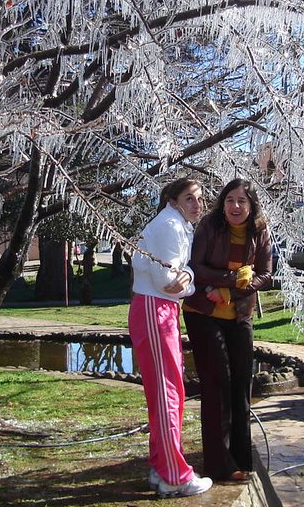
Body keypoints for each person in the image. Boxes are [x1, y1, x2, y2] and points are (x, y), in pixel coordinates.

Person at [182, 178, 273, 482]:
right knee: (218, 382)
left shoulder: (259, 232)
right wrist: (233, 277)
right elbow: (196, 266)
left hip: (238, 313)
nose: (235, 206)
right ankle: (220, 464)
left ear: (251, 205)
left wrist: (231, 292)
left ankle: (241, 458)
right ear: (222, 203)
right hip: (203, 312)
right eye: (230, 200)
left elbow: (265, 274)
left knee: (241, 383)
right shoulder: (210, 226)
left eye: (242, 201)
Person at [129, 178, 213, 498]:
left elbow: (172, 277)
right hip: (156, 307)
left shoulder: (173, 224)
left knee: (168, 389)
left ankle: (161, 465)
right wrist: (191, 278)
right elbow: (169, 281)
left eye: (200, 199)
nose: (197, 205)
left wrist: (185, 276)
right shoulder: (170, 225)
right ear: (173, 199)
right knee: (167, 393)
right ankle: (175, 476)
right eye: (189, 198)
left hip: (158, 309)